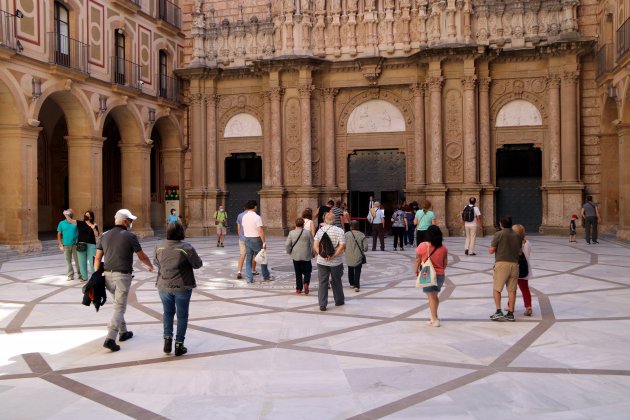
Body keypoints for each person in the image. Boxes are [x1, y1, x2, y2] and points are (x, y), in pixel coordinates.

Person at [94, 209, 154, 352]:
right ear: (125, 221)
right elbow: (141, 255)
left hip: (107, 276)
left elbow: (97, 257)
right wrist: (150, 265)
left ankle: (123, 332)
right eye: (130, 220)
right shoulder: (130, 236)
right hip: (122, 276)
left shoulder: (104, 235)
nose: (131, 223)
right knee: (120, 307)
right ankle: (110, 338)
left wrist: (96, 274)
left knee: (117, 303)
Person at [154, 222, 202, 356]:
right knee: (182, 315)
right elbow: (197, 264)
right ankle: (179, 344)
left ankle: (167, 340)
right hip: (182, 285)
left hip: (163, 285)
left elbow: (156, 262)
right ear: (181, 232)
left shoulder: (159, 246)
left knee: (167, 313)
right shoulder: (186, 247)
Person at [488, 215, 522, 322]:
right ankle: (510, 313)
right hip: (514, 265)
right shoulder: (517, 236)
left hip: (502, 264)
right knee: (512, 290)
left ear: (501, 224)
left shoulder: (498, 234)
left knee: (497, 289)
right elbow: (520, 252)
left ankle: (498, 311)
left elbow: (491, 251)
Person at [415, 225, 448, 327]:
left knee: (431, 297)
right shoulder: (443, 248)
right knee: (434, 296)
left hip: (427, 274)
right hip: (440, 275)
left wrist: (416, 271)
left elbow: (417, 260)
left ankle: (434, 319)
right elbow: (445, 263)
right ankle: (434, 316)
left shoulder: (422, 246)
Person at [314, 212, 346, 311]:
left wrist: (323, 255)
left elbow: (315, 246)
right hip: (336, 261)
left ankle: (322, 304)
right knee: (337, 280)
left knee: (322, 282)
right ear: (334, 220)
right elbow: (342, 246)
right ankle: (339, 300)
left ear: (325, 220)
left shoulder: (320, 231)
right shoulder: (340, 231)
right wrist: (333, 256)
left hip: (322, 261)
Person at [64, 210, 100, 282]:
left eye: (87, 215)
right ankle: (84, 277)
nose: (85, 216)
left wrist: (93, 228)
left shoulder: (94, 224)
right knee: (81, 262)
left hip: (91, 245)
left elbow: (97, 235)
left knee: (92, 261)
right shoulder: (80, 223)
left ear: (91, 217)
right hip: (81, 244)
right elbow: (70, 220)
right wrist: (66, 214)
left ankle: (94, 277)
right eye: (85, 215)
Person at [242, 200, 271, 283]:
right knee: (262, 257)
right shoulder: (257, 217)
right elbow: (260, 230)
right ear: (254, 207)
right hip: (256, 239)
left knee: (249, 259)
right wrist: (264, 242)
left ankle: (249, 278)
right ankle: (266, 276)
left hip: (247, 238)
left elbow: (244, 228)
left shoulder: (244, 216)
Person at [285, 218, 314, 294]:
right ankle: (306, 283)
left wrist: (289, 251)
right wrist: (313, 253)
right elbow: (312, 243)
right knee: (308, 271)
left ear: (295, 224)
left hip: (296, 255)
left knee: (298, 272)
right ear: (303, 224)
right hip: (306, 255)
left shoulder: (291, 233)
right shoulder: (307, 233)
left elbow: (287, 244)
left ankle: (298, 288)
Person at [512, 224, 533, 317]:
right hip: (524, 269)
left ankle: (510, 306)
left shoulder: (512, 244)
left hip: (514, 269)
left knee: (512, 289)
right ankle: (528, 306)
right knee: (525, 289)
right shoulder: (527, 243)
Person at [57, 209, 80, 281]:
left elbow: (80, 233)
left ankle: (80, 275)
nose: (70, 213)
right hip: (66, 245)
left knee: (77, 261)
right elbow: (59, 234)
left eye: (71, 212)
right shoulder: (61, 223)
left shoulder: (75, 223)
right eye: (69, 212)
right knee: (68, 261)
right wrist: (60, 244)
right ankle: (70, 275)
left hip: (75, 245)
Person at [345, 220, 367, 292]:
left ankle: (351, 284)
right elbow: (366, 248)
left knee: (350, 269)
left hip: (349, 255)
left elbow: (343, 245)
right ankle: (357, 286)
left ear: (351, 226)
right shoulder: (362, 235)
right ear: (358, 226)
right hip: (358, 255)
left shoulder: (346, 234)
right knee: (358, 271)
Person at [236, 203, 256, 279]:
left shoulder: (240, 216)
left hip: (242, 238)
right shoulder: (254, 216)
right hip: (251, 238)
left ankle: (239, 271)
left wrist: (241, 236)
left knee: (242, 255)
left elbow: (238, 229)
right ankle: (253, 270)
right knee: (253, 255)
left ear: (244, 208)